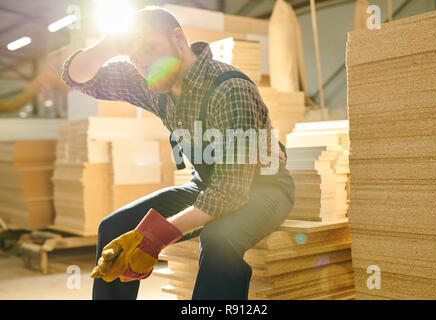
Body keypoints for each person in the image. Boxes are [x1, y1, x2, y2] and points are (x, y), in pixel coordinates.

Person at [61, 6, 295, 300]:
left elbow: (230, 192)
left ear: (178, 38)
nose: (144, 63)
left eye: (150, 48)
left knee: (219, 240)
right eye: (136, 58)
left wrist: (154, 238)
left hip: (264, 188)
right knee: (114, 228)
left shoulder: (229, 88)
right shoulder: (153, 82)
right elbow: (78, 77)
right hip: (207, 185)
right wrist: (113, 43)